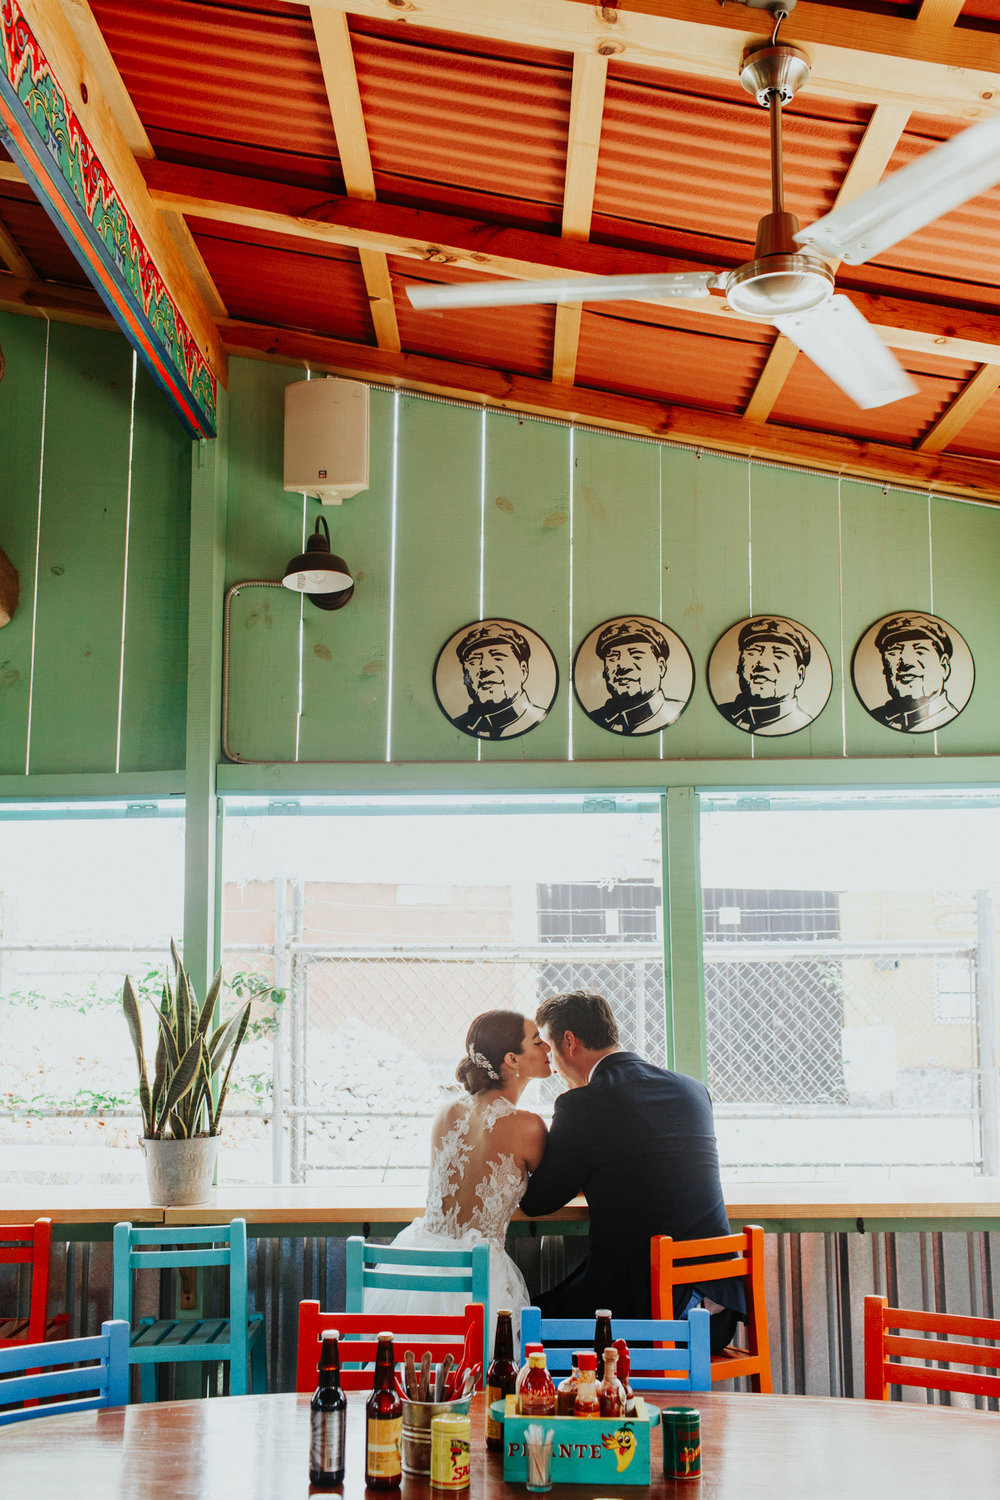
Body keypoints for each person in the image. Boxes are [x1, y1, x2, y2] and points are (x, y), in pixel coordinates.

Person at [519, 991, 743, 1356]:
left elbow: (538, 1200)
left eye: (549, 1048)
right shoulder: (692, 1090)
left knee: (523, 1330)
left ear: (570, 1042)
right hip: (718, 1316)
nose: (551, 1064)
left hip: (648, 1319)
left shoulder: (584, 1105)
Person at [364, 1010, 550, 1348]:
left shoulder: (446, 1111)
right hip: (475, 1277)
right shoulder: (529, 1126)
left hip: (417, 1264)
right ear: (512, 1059)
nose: (547, 1047)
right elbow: (554, 1187)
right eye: (537, 1041)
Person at [717, 616, 814, 734]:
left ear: (799, 675)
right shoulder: (718, 714)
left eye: (779, 654)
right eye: (753, 652)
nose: (762, 664)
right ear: (739, 665)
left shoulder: (806, 729)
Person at [588, 619, 686, 734]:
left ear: (661, 667)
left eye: (636, 655)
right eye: (613, 658)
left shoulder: (682, 717)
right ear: (605, 670)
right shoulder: (593, 718)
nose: (623, 667)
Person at [451, 623, 549, 739]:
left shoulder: (541, 722)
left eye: (498, 657)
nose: (485, 668)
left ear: (523, 670)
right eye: (474, 661)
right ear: (466, 678)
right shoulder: (458, 725)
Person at [869, 613, 959, 731]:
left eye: (920, 650)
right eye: (895, 651)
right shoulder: (874, 717)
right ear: (885, 667)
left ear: (944, 667)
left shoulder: (953, 723)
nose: (906, 663)